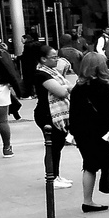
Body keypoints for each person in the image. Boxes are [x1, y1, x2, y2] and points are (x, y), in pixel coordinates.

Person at [69, 52, 109, 212]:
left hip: (81, 132)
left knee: (102, 161)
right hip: (99, 132)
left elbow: (73, 113)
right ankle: (88, 201)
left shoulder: (77, 88)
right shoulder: (103, 87)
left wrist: (72, 132)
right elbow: (107, 112)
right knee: (93, 165)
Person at [23, 43, 73, 189]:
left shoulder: (52, 73)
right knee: (53, 146)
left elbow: (68, 87)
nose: (57, 59)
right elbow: (62, 92)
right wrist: (65, 88)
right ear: (43, 59)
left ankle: (56, 175)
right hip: (47, 114)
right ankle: (51, 177)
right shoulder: (41, 74)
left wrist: (65, 87)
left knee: (57, 145)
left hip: (53, 114)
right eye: (53, 57)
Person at [0, 31, 24, 158]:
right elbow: (11, 72)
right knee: (2, 121)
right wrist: (20, 91)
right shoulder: (1, 53)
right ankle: (7, 148)